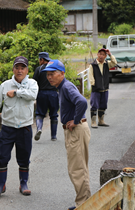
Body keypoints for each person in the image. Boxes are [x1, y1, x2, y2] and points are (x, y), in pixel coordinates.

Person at [42, 60, 91, 209]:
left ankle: (83, 205)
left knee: (77, 170)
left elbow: (82, 102)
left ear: (62, 73)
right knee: (79, 168)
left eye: (52, 74)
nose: (49, 77)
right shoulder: (62, 87)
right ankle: (84, 203)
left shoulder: (67, 86)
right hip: (75, 131)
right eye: (48, 74)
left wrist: (75, 121)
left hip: (76, 130)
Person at [0, 56, 39, 198]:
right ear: (13, 69)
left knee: (24, 157)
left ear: (27, 70)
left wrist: (16, 93)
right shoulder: (5, 85)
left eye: (22, 68)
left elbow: (33, 95)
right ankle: (0, 185)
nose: (19, 70)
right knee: (2, 157)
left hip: (25, 128)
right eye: (17, 67)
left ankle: (23, 184)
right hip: (8, 127)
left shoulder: (32, 83)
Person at [33, 52, 59, 141]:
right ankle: (54, 136)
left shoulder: (39, 69)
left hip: (42, 94)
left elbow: (34, 83)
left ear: (42, 60)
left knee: (40, 113)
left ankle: (39, 128)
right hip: (53, 93)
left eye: (39, 60)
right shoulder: (54, 68)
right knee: (54, 115)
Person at [88, 48, 117, 128]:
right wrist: (93, 84)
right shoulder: (93, 65)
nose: (101, 56)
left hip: (105, 88)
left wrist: (110, 55)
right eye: (100, 54)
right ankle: (93, 121)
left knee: (103, 105)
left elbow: (114, 62)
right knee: (94, 105)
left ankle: (101, 121)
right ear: (97, 54)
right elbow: (90, 75)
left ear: (105, 56)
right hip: (96, 89)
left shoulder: (107, 64)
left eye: (103, 55)